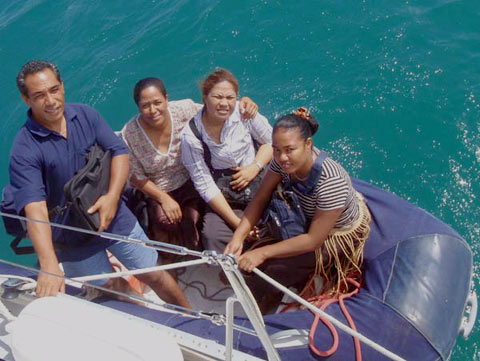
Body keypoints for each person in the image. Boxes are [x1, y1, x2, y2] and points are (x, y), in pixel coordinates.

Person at [9, 60, 190, 308]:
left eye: (53, 90)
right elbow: (35, 207)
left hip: (114, 215)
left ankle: (192, 315)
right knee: (108, 288)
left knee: (154, 273)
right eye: (39, 95)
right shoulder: (24, 148)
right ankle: (141, 310)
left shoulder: (85, 115)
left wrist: (112, 198)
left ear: (62, 86)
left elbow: (119, 152)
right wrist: (49, 262)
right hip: (72, 237)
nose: (50, 101)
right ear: (26, 99)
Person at [224, 108, 371, 313]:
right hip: (305, 216)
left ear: (308, 144)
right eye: (276, 150)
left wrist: (262, 253)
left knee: (274, 270)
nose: (282, 157)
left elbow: (313, 240)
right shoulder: (281, 163)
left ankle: (265, 310)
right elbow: (261, 197)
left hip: (332, 233)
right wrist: (238, 237)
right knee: (248, 259)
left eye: (289, 149)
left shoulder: (331, 182)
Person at [120, 77, 258, 254]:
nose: (153, 110)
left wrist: (243, 103)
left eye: (157, 102)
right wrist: (164, 199)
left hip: (191, 178)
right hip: (158, 188)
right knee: (166, 221)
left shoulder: (183, 109)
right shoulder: (130, 134)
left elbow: (215, 108)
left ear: (166, 99)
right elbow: (135, 177)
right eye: (146, 106)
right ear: (138, 107)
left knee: (193, 221)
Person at [181, 68, 273, 253]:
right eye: (218, 97)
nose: (224, 103)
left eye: (230, 98)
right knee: (212, 236)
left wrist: (254, 167)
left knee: (283, 214)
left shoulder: (244, 112)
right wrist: (238, 224)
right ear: (205, 97)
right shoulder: (191, 136)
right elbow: (205, 185)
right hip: (227, 194)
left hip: (259, 175)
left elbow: (272, 142)